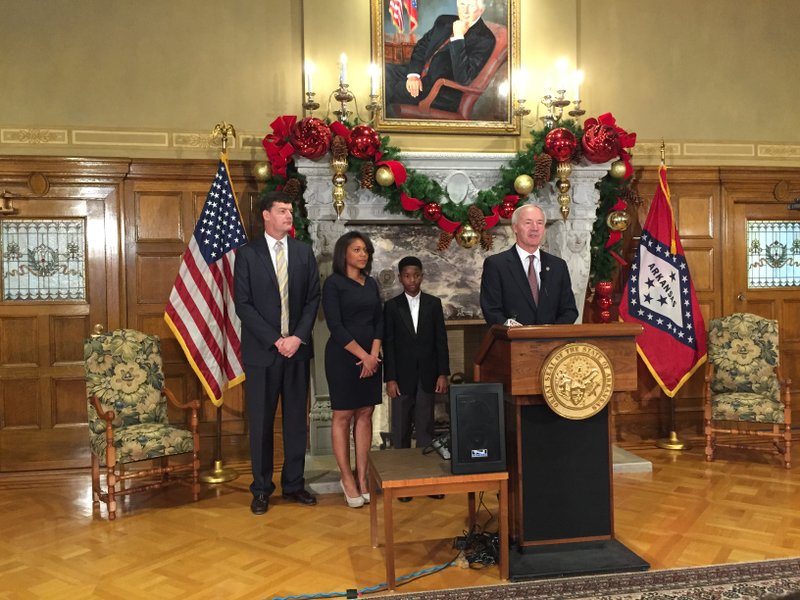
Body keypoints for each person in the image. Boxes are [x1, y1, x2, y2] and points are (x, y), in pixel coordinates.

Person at [234, 191, 321, 515]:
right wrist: (276, 339)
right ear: (266, 215)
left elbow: (313, 298)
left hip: (296, 352)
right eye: (282, 210)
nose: (289, 215)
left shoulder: (303, 253)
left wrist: (297, 337)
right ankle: (261, 489)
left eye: (290, 210)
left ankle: (294, 485)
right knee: (261, 424)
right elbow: (243, 304)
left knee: (297, 421)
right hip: (263, 353)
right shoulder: (247, 255)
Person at [322, 231, 383, 509]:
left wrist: (373, 355)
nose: (363, 254)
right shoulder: (334, 284)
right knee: (343, 415)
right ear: (343, 253)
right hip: (343, 357)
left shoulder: (370, 283)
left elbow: (379, 321)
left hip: (371, 356)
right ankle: (346, 478)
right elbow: (335, 326)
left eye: (366, 250)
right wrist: (363, 356)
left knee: (366, 413)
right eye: (357, 249)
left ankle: (362, 477)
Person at [383, 256, 450, 502]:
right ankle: (403, 484)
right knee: (400, 431)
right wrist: (390, 378)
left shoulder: (434, 304)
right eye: (407, 276)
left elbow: (440, 342)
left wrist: (443, 373)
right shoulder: (391, 307)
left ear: (422, 276)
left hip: (427, 377)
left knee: (425, 429)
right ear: (401, 278)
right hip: (401, 378)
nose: (412, 280)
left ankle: (428, 482)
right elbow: (388, 345)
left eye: (416, 275)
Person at [385, 0, 496, 116]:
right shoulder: (444, 21)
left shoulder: (485, 39)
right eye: (462, 4)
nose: (465, 10)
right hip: (419, 73)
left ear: (481, 10)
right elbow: (422, 46)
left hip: (439, 91)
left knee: (386, 89)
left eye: (471, 5)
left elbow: (463, 78)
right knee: (383, 73)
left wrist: (458, 37)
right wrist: (413, 75)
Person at [480, 203, 579, 326]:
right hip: (513, 342)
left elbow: (569, 310)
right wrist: (511, 328)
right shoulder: (496, 265)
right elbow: (491, 310)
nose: (535, 228)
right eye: (528, 223)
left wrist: (550, 332)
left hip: (552, 342)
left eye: (539, 223)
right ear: (515, 228)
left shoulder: (558, 266)